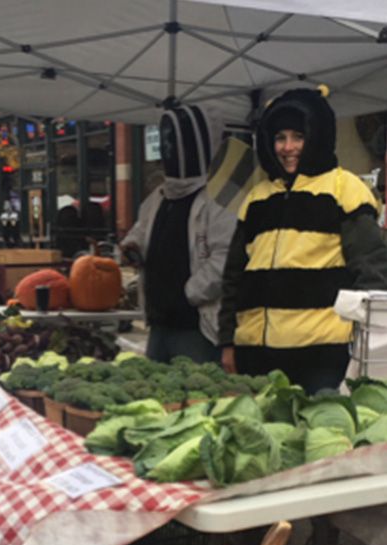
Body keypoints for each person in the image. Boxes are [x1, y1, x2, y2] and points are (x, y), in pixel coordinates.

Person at [218, 86, 387, 393]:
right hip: (257, 356)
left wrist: (365, 347)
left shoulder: (344, 189)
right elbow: (234, 278)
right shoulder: (256, 198)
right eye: (280, 138)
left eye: (298, 136)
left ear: (317, 136)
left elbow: (373, 272)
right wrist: (228, 341)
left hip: (321, 359)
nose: (288, 147)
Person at [120, 104, 236, 363]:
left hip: (196, 327)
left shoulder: (221, 200)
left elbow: (225, 260)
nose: (170, 150)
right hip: (159, 323)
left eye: (178, 142)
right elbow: (140, 232)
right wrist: (131, 248)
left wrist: (187, 293)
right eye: (167, 142)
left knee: (194, 395)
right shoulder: (157, 198)